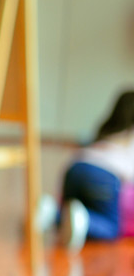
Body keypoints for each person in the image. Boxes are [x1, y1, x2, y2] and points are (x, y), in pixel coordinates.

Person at [56, 89, 134, 251]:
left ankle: (50, 213)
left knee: (70, 212)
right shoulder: (130, 135)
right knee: (112, 227)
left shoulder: (106, 128)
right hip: (103, 176)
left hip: (74, 167)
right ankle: (86, 221)